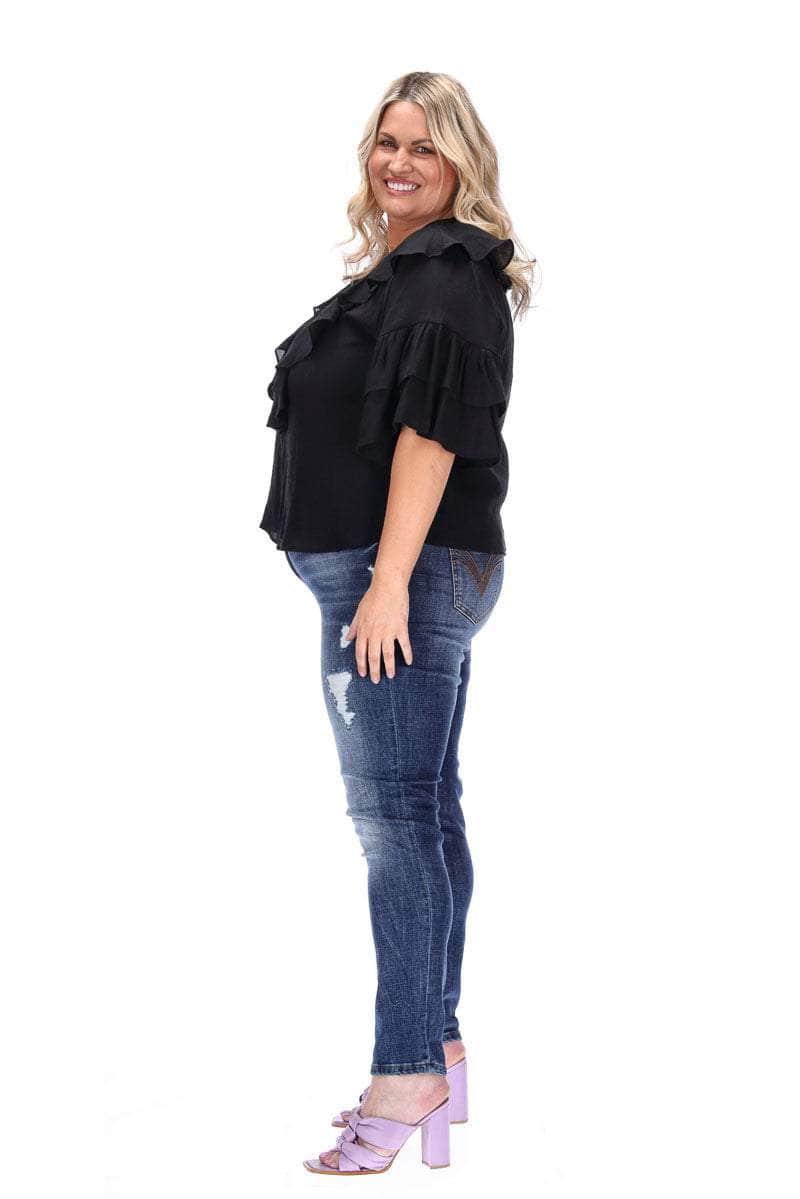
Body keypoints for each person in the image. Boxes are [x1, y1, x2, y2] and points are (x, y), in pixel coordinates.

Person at [258, 71, 536, 1175]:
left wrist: (385, 583)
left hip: (402, 579)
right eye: (387, 141)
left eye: (424, 144)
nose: (399, 162)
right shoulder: (413, 270)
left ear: (462, 159)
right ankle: (437, 1039)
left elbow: (428, 434)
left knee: (393, 822)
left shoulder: (444, 270)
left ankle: (408, 1063)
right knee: (422, 807)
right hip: (404, 575)